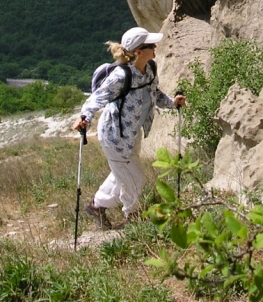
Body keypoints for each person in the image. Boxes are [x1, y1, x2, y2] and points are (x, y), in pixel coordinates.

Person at [72, 27, 186, 229]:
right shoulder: (120, 76)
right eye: (151, 45)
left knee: (121, 174)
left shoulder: (150, 68)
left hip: (133, 134)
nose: (155, 47)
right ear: (139, 51)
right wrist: (84, 119)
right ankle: (132, 217)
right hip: (114, 136)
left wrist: (172, 103)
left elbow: (155, 94)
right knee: (135, 179)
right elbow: (96, 99)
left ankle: (96, 206)